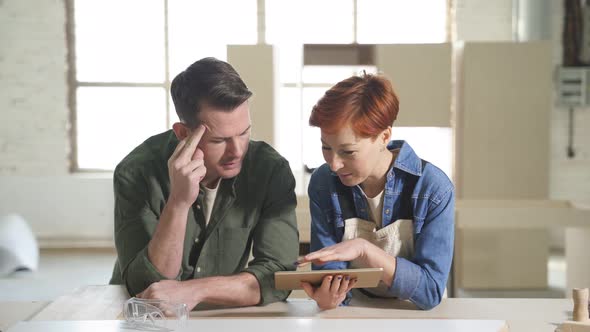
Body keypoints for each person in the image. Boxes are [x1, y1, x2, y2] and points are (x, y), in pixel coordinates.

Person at [109, 57, 299, 310]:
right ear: (183, 134)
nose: (237, 151)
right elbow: (147, 286)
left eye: (244, 133)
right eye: (219, 140)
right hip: (139, 316)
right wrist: (178, 202)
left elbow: (279, 276)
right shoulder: (136, 171)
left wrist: (195, 291)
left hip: (222, 313)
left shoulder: (270, 170)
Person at [298, 73, 454, 310]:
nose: (334, 164)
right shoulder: (324, 183)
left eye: (348, 152)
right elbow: (329, 273)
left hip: (414, 313)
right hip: (353, 312)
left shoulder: (433, 188)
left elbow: (430, 290)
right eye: (326, 148)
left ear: (384, 137)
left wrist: (365, 249)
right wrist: (329, 297)